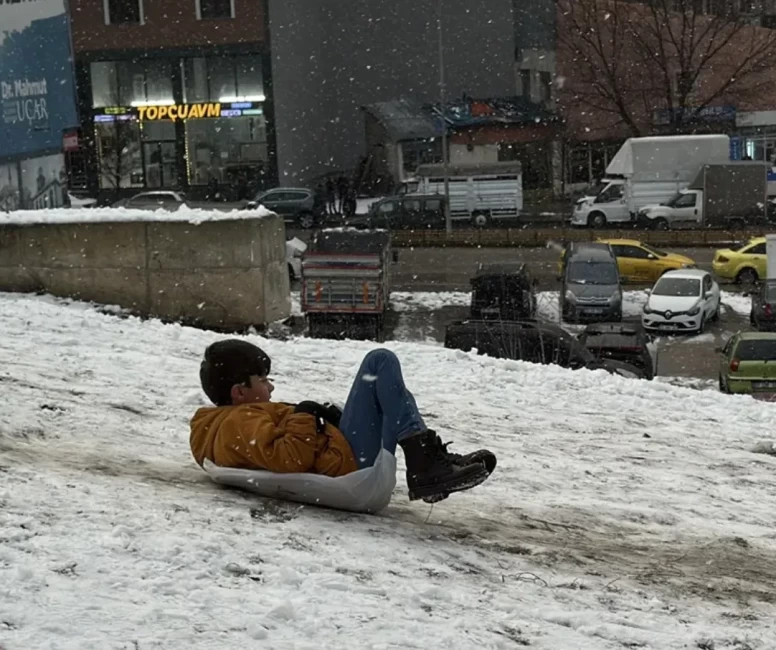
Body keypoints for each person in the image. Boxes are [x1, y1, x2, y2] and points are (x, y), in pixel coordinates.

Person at [190, 339, 496, 504]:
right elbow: (289, 458)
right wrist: (304, 414)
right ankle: (426, 466)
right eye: (263, 380)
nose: (270, 387)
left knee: (394, 393)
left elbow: (282, 444)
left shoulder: (236, 419)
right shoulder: (237, 423)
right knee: (380, 362)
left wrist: (324, 417)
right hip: (346, 464)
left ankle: (428, 464)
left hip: (339, 454)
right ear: (239, 392)